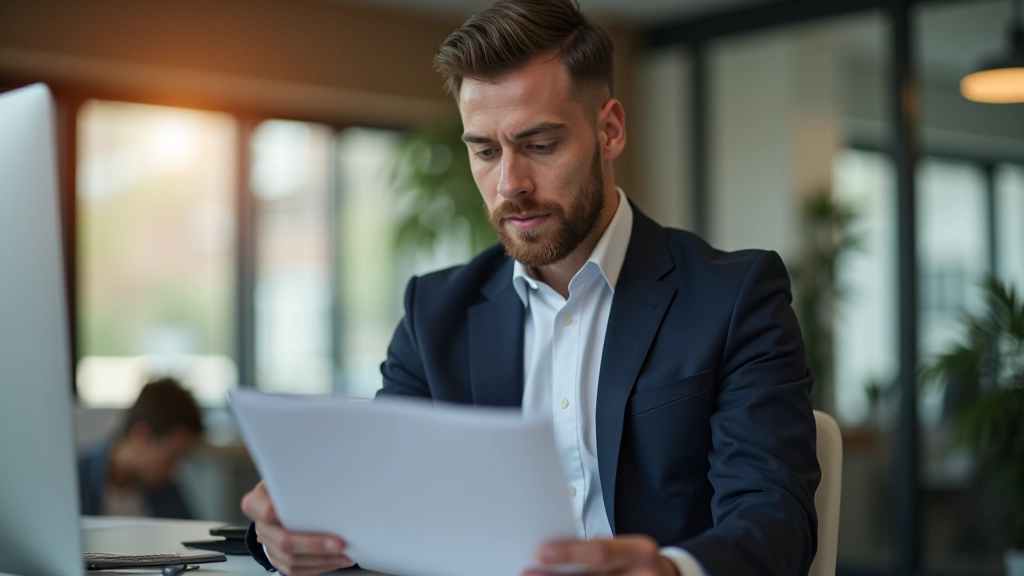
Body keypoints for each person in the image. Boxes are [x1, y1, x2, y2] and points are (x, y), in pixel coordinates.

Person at [240, 1, 821, 574]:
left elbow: (774, 520)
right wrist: (286, 535)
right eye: (486, 152)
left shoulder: (733, 296)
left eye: (540, 146)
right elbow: (384, 507)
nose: (510, 183)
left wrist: (669, 571)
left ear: (610, 130)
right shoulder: (435, 312)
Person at [78, 377, 204, 519]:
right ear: (140, 437)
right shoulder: (73, 482)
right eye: (171, 458)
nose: (174, 470)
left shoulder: (167, 492)